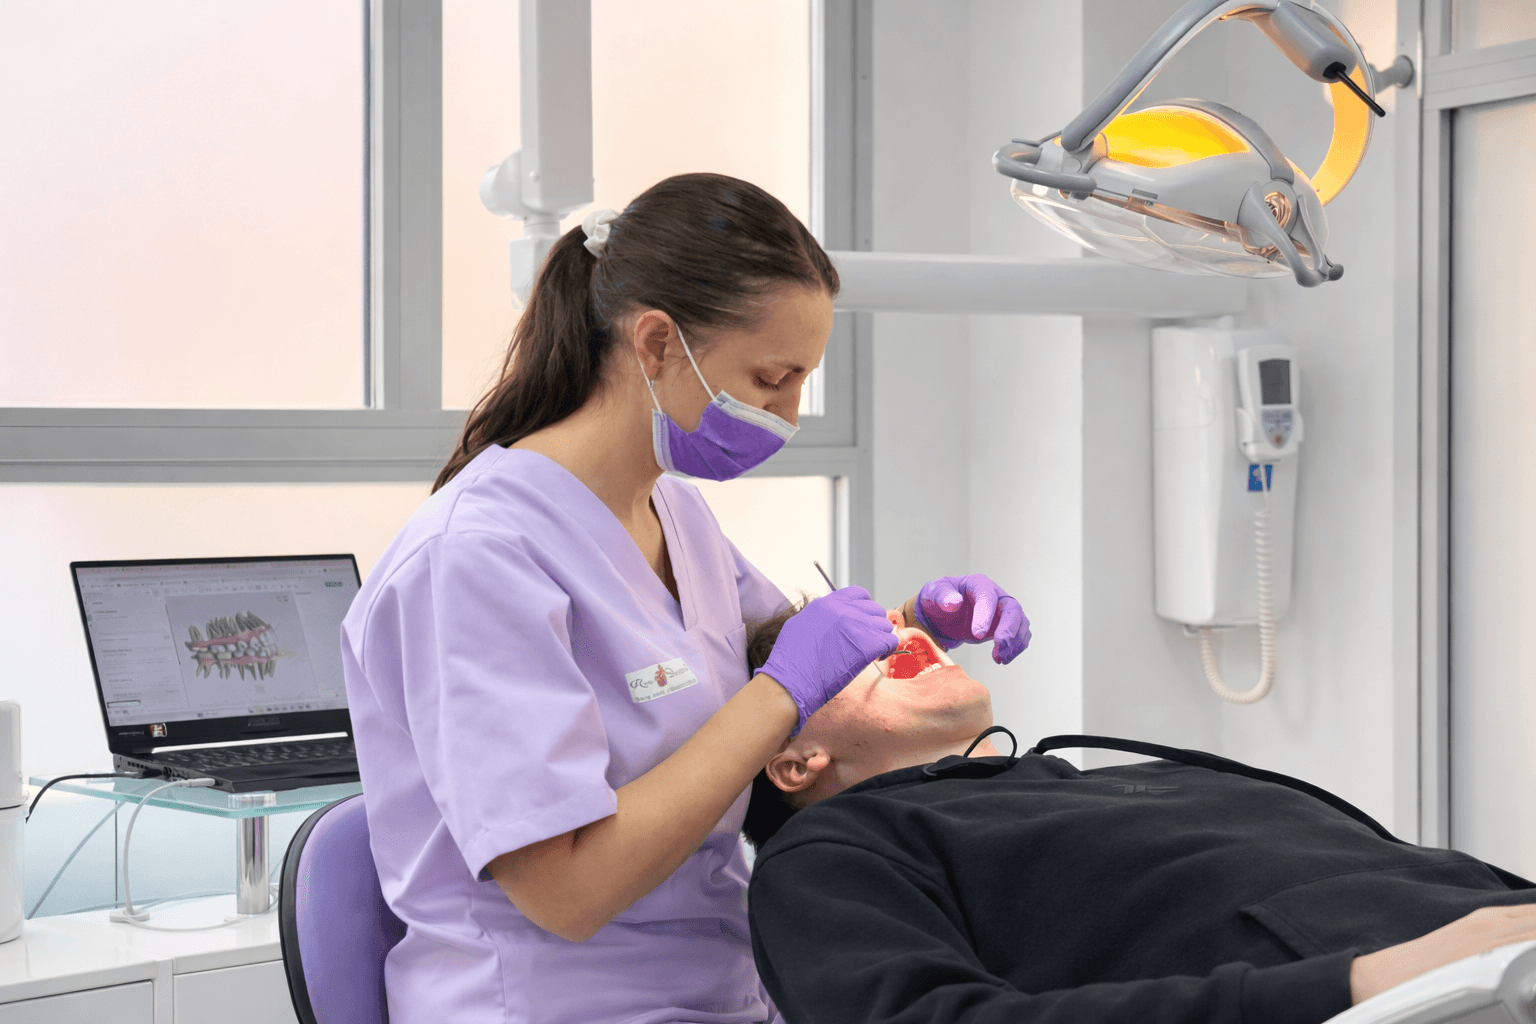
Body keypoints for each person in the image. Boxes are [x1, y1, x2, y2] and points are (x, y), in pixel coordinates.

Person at [339, 173, 1030, 1024]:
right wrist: (782, 691)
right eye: (773, 377)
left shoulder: (675, 513)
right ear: (658, 343)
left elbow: (802, 678)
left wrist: (915, 625)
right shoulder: (475, 561)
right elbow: (567, 890)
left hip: (728, 986)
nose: (789, 414)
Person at [739, 610, 1536, 1024]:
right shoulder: (831, 856)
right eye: (848, 656)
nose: (903, 637)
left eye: (887, 629)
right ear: (793, 759)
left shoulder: (1130, 782)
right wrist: (1361, 981)